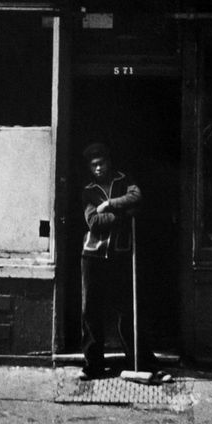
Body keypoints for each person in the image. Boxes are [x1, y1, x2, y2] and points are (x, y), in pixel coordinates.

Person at [80, 140, 141, 380]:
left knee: (126, 309)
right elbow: (93, 222)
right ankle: (93, 365)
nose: (98, 168)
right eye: (93, 165)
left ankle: (138, 360)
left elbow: (137, 195)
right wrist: (123, 214)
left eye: (101, 163)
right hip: (93, 256)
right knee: (91, 311)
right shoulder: (88, 190)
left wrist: (109, 205)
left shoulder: (123, 180)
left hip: (121, 254)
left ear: (109, 162)